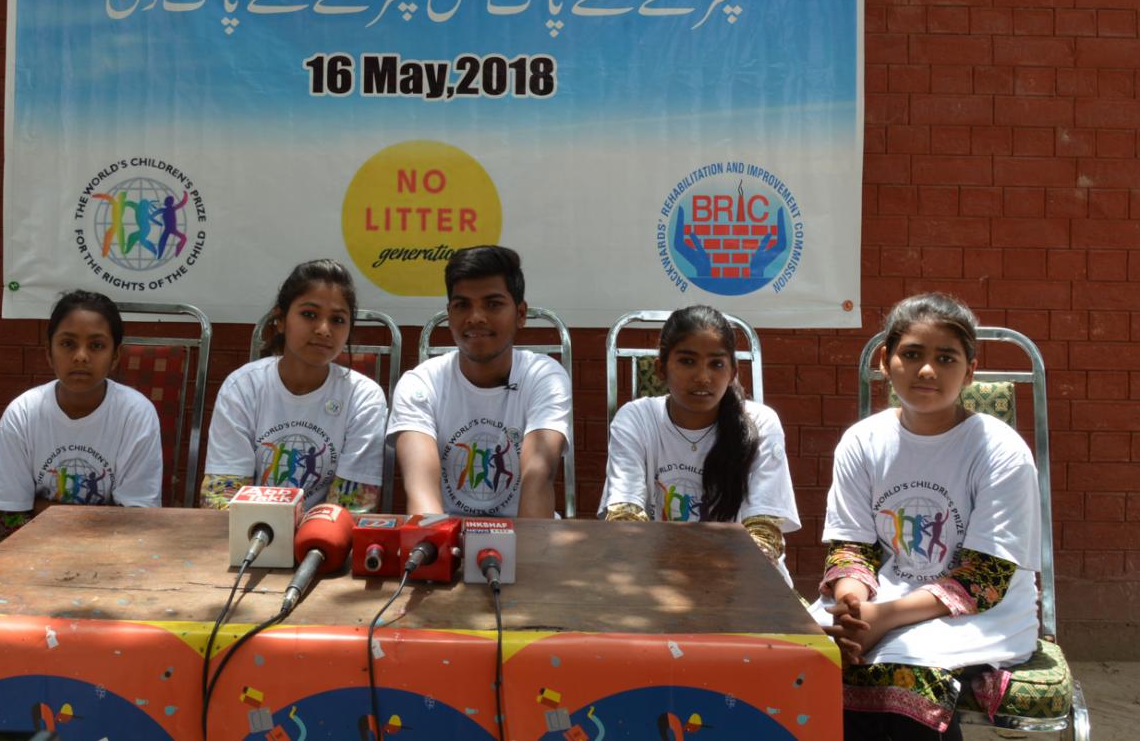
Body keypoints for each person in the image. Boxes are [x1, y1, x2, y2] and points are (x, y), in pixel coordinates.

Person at [811, 293, 1040, 740]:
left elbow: (985, 578)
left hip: (979, 614)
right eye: (912, 354)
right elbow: (851, 546)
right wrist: (854, 607)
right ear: (885, 360)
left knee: (901, 672)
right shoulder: (863, 441)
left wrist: (882, 619)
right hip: (885, 599)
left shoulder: (1000, 451)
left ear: (970, 371)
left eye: (946, 357)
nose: (927, 370)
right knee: (809, 661)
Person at [597, 305, 800, 579]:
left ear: (733, 372)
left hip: (743, 577)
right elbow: (625, 519)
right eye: (687, 361)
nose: (703, 377)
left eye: (716, 364)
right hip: (654, 574)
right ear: (661, 368)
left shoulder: (761, 423)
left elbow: (763, 534)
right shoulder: (636, 419)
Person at [387, 246, 570, 518]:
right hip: (447, 541)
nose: (475, 317)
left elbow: (538, 479)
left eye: (493, 304)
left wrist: (526, 558)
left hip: (526, 538)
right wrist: (438, 553)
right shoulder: (420, 384)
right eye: (462, 305)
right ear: (449, 315)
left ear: (520, 314)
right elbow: (420, 491)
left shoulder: (544, 377)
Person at [200, 260, 386, 512]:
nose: (323, 329)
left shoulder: (364, 397)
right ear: (280, 319)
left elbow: (351, 505)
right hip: (247, 537)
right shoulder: (243, 387)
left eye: (338, 320)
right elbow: (221, 495)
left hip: (324, 545)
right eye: (309, 314)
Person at [0, 291, 162, 539]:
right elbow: (5, 516)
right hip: (33, 553)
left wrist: (40, 508)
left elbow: (136, 520)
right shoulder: (22, 413)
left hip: (114, 556)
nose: (81, 356)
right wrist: (102, 516)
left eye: (96, 345)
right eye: (68, 344)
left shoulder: (136, 414)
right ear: (48, 352)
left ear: (116, 356)